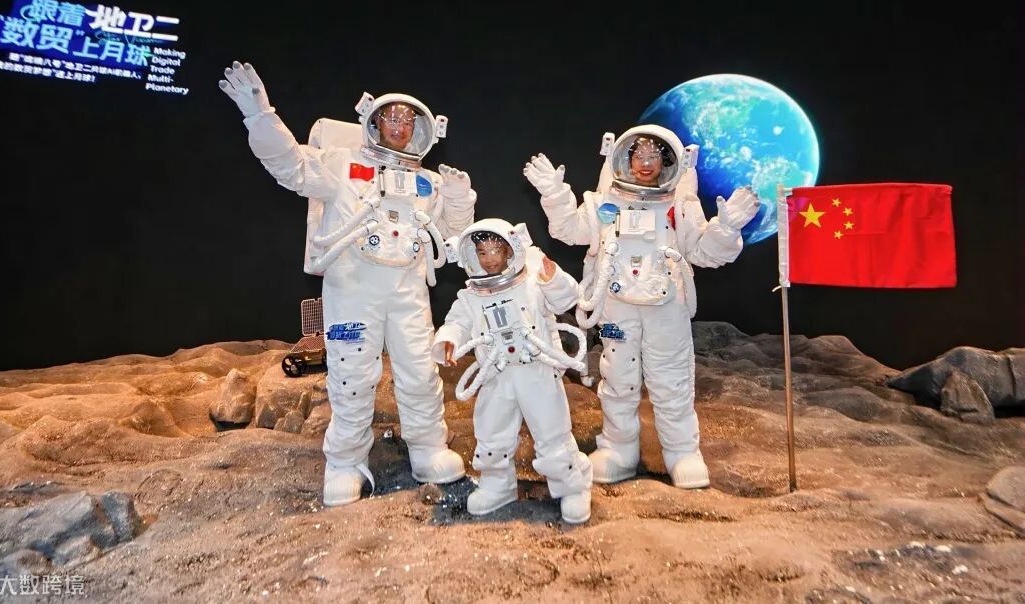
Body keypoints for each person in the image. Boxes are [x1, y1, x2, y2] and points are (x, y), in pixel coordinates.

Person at [219, 61, 477, 506]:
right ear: (373, 122)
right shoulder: (342, 163)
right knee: (352, 376)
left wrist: (458, 200)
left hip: (408, 289)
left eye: (408, 121)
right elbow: (292, 167)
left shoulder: (428, 183)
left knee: (419, 371)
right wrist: (260, 117)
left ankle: (428, 447)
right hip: (353, 286)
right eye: (391, 117)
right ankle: (345, 461)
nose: (400, 127)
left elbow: (454, 239)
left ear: (421, 130)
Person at [524, 125, 759, 489]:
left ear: (669, 163)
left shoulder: (679, 207)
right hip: (616, 311)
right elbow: (569, 230)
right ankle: (618, 449)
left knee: (671, 381)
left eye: (655, 156)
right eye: (639, 155)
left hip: (667, 309)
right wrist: (555, 194)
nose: (646, 164)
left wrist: (726, 229)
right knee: (617, 379)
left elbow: (704, 253)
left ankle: (682, 452)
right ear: (624, 159)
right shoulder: (605, 204)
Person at [432, 219, 593, 524]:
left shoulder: (532, 281)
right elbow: (457, 322)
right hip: (497, 375)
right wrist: (449, 340)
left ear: (510, 251)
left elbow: (567, 299)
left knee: (552, 432)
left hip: (536, 371)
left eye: (496, 250)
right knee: (491, 432)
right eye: (482, 252)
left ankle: (572, 486)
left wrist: (552, 277)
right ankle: (497, 485)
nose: (489, 258)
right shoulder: (472, 295)